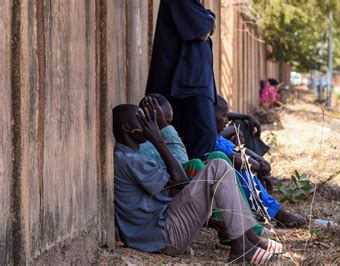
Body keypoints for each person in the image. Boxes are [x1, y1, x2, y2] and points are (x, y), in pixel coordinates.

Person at [113, 98, 278, 263]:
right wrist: (157, 139)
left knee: (219, 164)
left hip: (162, 228)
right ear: (127, 128)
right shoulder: (130, 160)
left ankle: (244, 241)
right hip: (164, 238)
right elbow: (180, 180)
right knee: (217, 167)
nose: (149, 123)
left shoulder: (130, 156)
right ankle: (243, 244)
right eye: (142, 120)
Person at [214, 95, 307, 228]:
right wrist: (258, 166)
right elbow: (235, 159)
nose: (226, 120)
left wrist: (260, 161)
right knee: (242, 171)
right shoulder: (210, 139)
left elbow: (237, 149)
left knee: (241, 142)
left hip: (229, 152)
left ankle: (272, 211)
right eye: (223, 116)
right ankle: (275, 213)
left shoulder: (217, 136)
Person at [146, 0, 217, 160]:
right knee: (202, 144)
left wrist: (207, 18)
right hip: (185, 88)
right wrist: (210, 17)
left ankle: (195, 183)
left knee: (199, 145)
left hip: (190, 86)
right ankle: (195, 184)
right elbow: (202, 30)